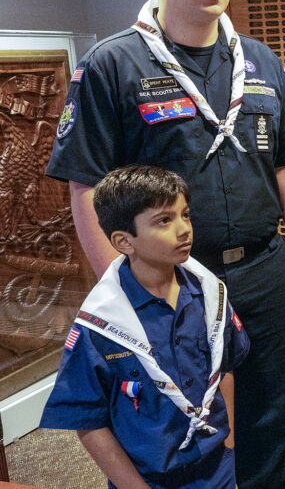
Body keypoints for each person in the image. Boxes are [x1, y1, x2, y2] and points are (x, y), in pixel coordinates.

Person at [45, 0, 285, 489]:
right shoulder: (114, 65)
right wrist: (120, 289)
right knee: (180, 422)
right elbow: (85, 184)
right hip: (172, 283)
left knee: (268, 415)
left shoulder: (261, 62)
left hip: (262, 270)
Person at [40, 165, 250, 489]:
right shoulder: (102, 323)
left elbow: (225, 367)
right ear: (124, 241)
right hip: (149, 479)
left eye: (185, 214)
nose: (184, 230)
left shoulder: (209, 294)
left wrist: (231, 443)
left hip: (216, 469)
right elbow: (89, 422)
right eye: (164, 220)